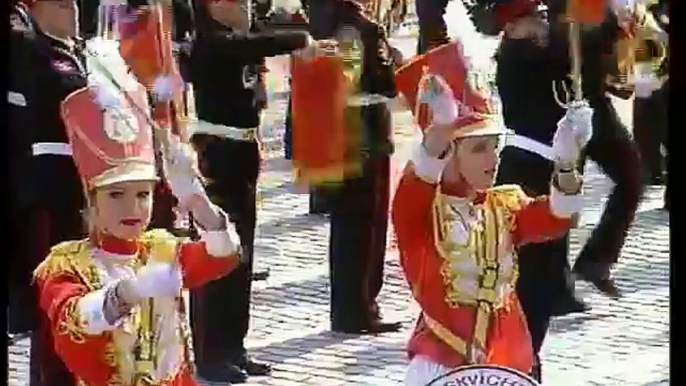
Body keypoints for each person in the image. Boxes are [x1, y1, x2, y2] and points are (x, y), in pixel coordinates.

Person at [33, 70, 243, 386]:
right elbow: (72, 319)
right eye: (116, 195)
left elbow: (223, 257)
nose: (132, 208)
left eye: (142, 194)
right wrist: (125, 293)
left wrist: (196, 199)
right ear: (91, 201)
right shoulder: (67, 265)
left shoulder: (162, 249)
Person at [392, 66, 591, 385]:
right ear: (451, 155)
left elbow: (557, 218)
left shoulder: (505, 204)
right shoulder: (422, 214)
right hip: (442, 362)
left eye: (495, 147)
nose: (493, 159)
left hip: (509, 360)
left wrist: (567, 164)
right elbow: (419, 179)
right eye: (479, 149)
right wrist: (441, 128)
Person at [187, 0, 313, 382]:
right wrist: (301, 38)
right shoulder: (210, 42)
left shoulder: (241, 35)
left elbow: (262, 36)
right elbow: (254, 45)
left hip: (243, 151)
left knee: (243, 255)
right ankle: (210, 352)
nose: (244, 5)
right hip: (218, 152)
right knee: (218, 251)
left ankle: (234, 346)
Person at [305, 0, 402, 334]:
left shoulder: (328, 17)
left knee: (350, 227)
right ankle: (357, 308)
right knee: (363, 228)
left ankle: (352, 307)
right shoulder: (358, 27)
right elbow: (375, 81)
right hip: (363, 134)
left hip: (345, 132)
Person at [10, 1, 89, 385]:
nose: (72, 9)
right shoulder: (29, 48)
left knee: (77, 294)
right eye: (62, 3)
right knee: (55, 298)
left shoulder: (74, 49)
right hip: (48, 188)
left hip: (80, 186)